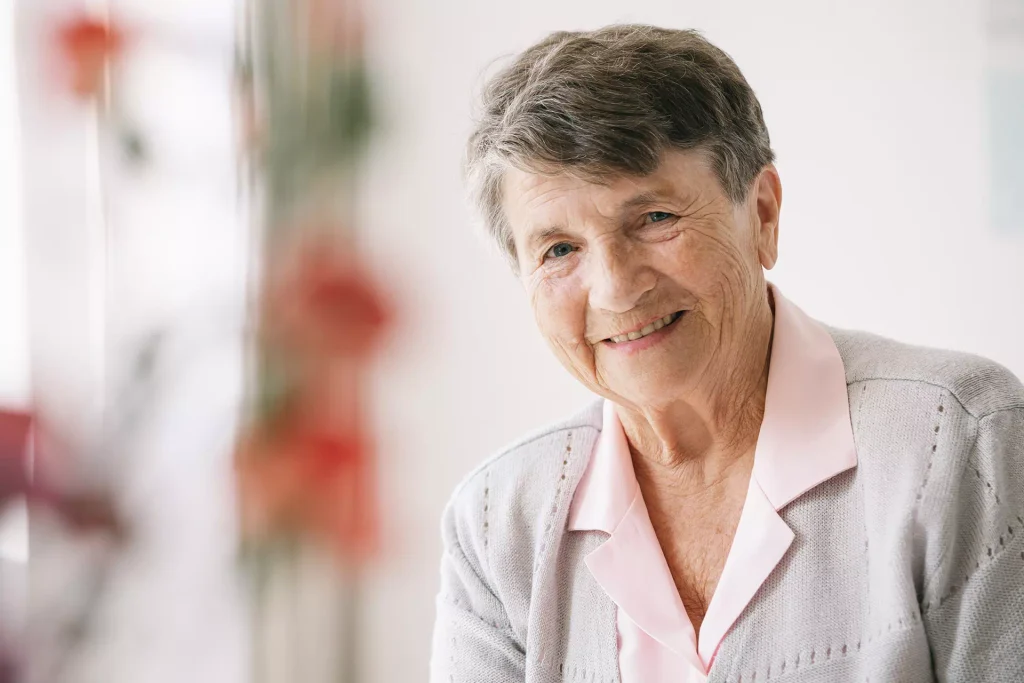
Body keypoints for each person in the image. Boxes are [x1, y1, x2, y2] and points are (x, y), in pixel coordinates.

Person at [430, 24, 1024, 683]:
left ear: (763, 215)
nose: (617, 289)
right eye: (559, 250)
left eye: (654, 218)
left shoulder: (961, 441)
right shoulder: (495, 522)